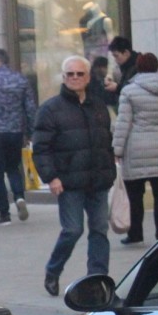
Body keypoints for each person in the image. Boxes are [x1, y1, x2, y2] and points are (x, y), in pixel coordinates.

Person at [32, 55, 117, 296]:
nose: (75, 78)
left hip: (98, 180)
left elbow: (106, 142)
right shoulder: (50, 109)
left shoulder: (98, 106)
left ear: (88, 77)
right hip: (69, 181)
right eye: (70, 74)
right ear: (64, 77)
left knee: (99, 229)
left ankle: (97, 279)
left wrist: (109, 171)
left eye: (80, 74)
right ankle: (53, 270)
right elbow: (41, 148)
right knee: (72, 230)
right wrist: (51, 177)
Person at [111, 53, 158, 246]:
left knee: (134, 194)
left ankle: (135, 233)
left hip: (136, 149)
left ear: (138, 68)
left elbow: (123, 123)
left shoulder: (129, 91)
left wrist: (117, 149)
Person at [0, 48, 37, 224]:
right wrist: (30, 132)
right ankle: (19, 197)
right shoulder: (21, 79)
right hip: (16, 131)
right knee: (13, 167)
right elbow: (30, 108)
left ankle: (3, 212)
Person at [105, 36, 140, 107]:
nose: (115, 60)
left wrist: (117, 88)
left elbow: (136, 91)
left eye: (116, 56)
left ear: (126, 53)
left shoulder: (137, 67)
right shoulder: (127, 66)